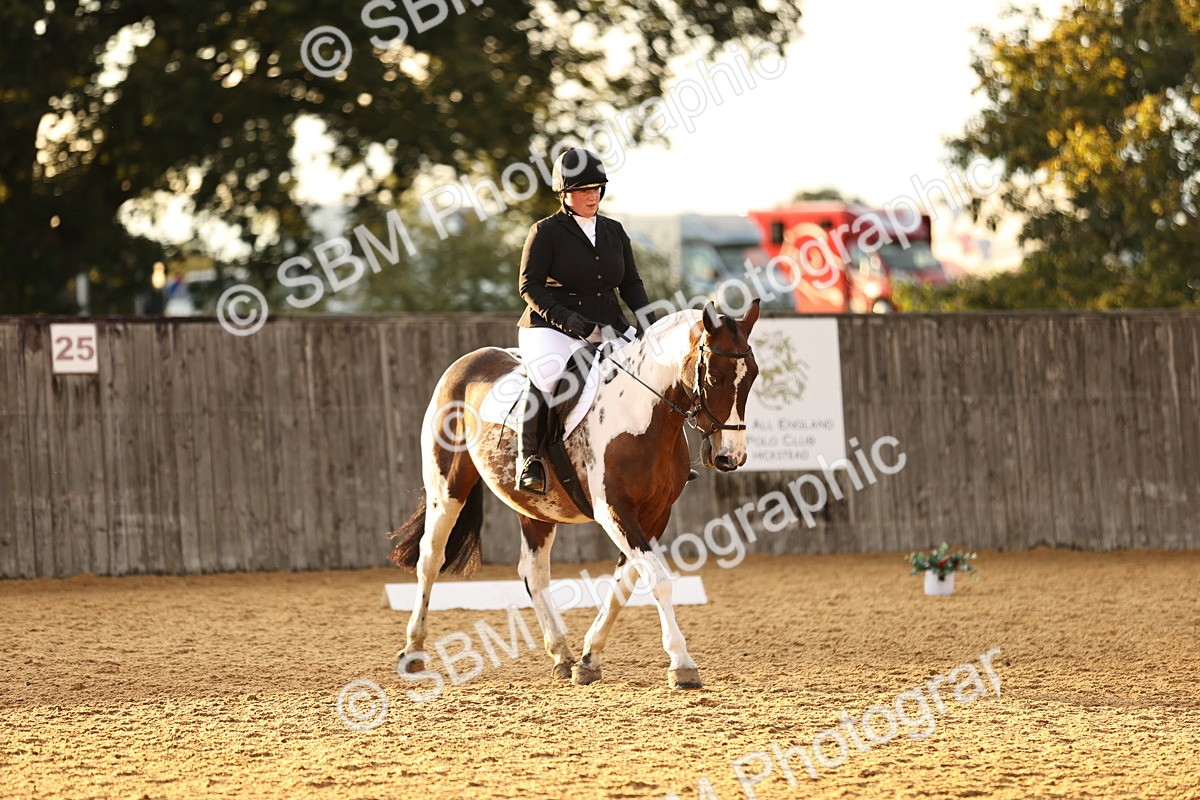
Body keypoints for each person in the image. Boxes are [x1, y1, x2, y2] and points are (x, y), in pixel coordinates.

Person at [514, 147, 659, 495]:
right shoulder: (546, 231)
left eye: (596, 188)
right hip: (551, 327)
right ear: (565, 194)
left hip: (607, 323)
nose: (592, 196)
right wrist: (567, 319)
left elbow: (630, 284)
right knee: (548, 376)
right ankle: (530, 460)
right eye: (583, 190)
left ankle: (663, 458)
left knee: (651, 373)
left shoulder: (614, 231)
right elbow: (528, 285)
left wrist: (648, 324)